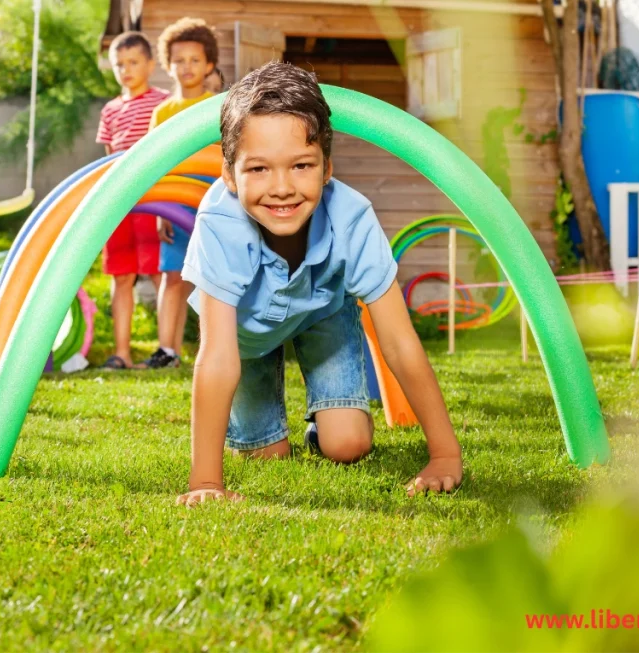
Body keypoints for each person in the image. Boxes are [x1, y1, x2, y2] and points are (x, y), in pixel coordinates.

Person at [176, 62, 463, 506]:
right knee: (267, 456)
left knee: (347, 446)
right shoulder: (220, 224)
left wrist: (444, 455)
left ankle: (327, 422)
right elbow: (216, 358)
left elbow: (400, 344)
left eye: (301, 165)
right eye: (259, 169)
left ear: (327, 167)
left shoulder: (352, 217)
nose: (282, 188)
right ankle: (263, 431)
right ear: (229, 175)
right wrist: (206, 482)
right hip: (244, 337)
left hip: (320, 314)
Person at [141, 18, 220, 369]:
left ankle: (215, 348)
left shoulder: (217, 107)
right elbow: (155, 165)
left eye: (195, 60)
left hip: (210, 205)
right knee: (172, 277)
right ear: (167, 65)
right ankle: (167, 350)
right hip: (174, 206)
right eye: (179, 60)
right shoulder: (163, 113)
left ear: (209, 65)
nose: (187, 67)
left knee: (211, 279)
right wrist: (161, 212)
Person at [95, 32, 169, 369]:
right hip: (120, 202)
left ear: (150, 64)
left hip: (155, 200)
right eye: (118, 65)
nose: (125, 70)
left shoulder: (163, 103)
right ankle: (122, 352)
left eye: (133, 62)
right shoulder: (110, 110)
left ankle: (165, 350)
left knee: (159, 272)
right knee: (122, 276)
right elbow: (109, 158)